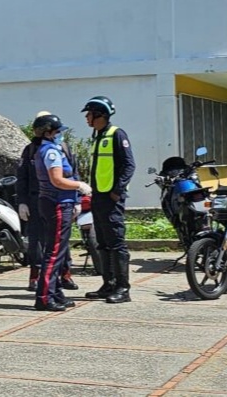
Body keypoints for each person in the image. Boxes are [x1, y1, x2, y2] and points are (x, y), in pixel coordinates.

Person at [32, 114, 92, 311]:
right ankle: (43, 297)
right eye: (57, 132)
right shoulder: (50, 152)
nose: (60, 135)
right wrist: (79, 185)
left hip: (58, 203)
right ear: (48, 132)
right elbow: (57, 180)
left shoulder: (50, 149)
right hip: (57, 203)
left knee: (57, 251)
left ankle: (55, 292)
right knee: (55, 252)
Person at [16, 111, 79, 292]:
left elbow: (72, 173)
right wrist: (22, 201)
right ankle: (36, 277)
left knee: (60, 241)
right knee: (36, 240)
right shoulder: (30, 150)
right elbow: (22, 178)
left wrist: (77, 199)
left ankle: (65, 274)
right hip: (36, 199)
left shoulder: (62, 148)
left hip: (61, 199)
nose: (59, 135)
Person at [82, 96, 136, 304]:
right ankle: (108, 284)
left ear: (100, 115)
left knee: (116, 243)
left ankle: (123, 288)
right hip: (98, 196)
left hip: (111, 197)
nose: (87, 118)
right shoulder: (98, 136)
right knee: (103, 243)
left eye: (89, 114)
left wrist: (117, 190)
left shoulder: (116, 134)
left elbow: (129, 165)